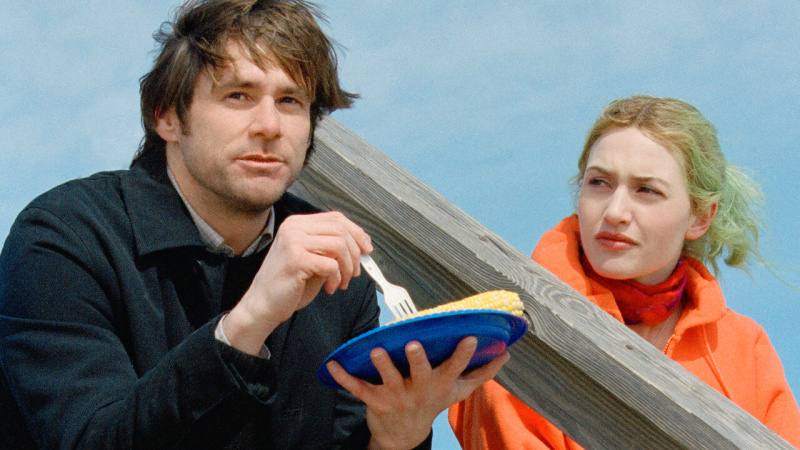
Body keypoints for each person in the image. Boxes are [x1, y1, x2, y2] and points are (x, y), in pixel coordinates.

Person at [0, 1, 508, 448]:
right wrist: (249, 321)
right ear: (167, 117)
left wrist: (398, 437)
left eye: (290, 101)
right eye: (238, 96)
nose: (269, 126)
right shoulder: (62, 239)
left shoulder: (338, 271)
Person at [449, 95, 800, 449]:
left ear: (700, 217)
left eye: (647, 190)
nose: (615, 212)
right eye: (599, 183)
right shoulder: (517, 329)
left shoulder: (746, 348)